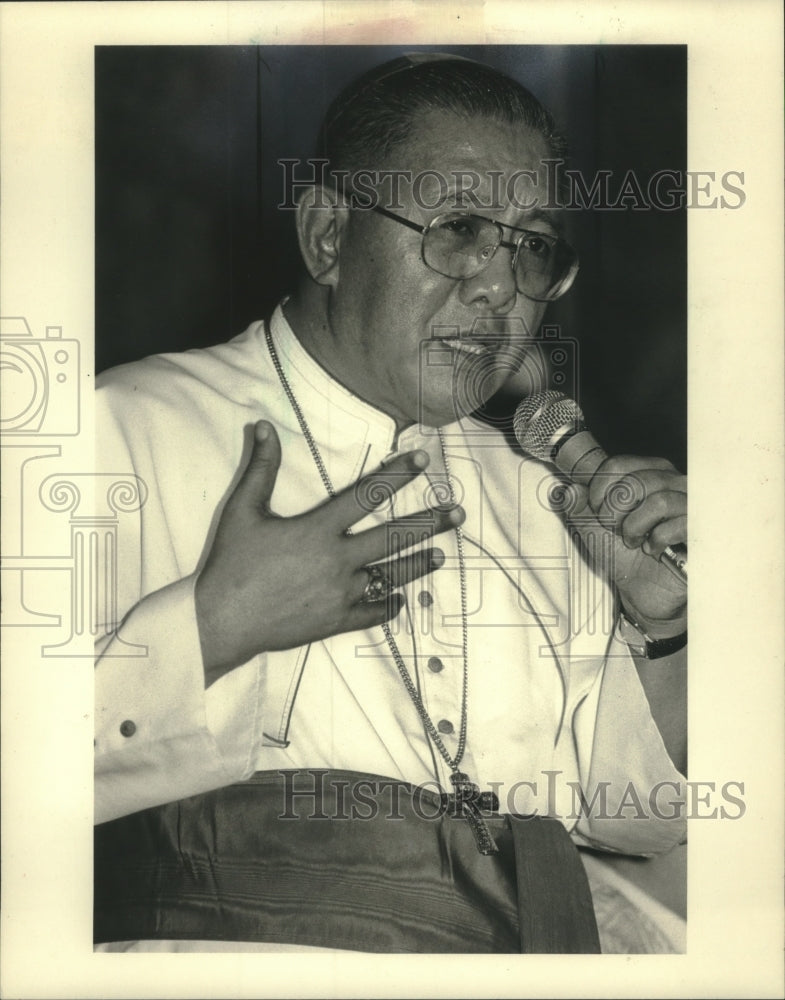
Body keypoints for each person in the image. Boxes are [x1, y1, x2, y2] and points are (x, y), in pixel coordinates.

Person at [93, 53, 688, 954]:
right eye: (458, 228)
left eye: (532, 245)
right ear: (328, 236)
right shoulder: (116, 429)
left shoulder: (547, 495)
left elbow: (639, 821)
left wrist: (662, 628)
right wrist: (213, 628)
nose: (498, 285)